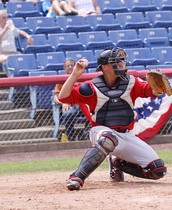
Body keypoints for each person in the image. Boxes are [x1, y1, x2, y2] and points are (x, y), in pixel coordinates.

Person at [58, 47, 167, 191]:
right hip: (100, 131)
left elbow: (151, 91)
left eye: (122, 61)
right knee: (108, 139)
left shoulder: (131, 82)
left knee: (157, 170)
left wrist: (159, 88)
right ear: (105, 67)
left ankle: (118, 164)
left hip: (126, 135)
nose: (122, 64)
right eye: (117, 62)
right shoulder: (92, 87)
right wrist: (75, 74)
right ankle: (76, 177)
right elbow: (63, 97)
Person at [53, 58, 87, 141]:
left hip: (83, 105)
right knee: (68, 114)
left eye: (72, 65)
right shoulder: (61, 80)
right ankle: (71, 139)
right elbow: (55, 98)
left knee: (92, 112)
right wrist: (64, 102)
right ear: (64, 69)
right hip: (71, 106)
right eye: (68, 66)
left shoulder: (82, 77)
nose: (71, 67)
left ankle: (87, 136)